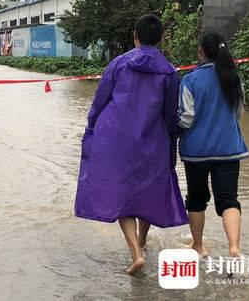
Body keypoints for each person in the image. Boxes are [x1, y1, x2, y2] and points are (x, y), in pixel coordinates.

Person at [74, 14, 188, 275]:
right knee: (148, 191)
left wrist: (91, 129)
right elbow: (171, 113)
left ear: (135, 36)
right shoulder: (169, 72)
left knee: (122, 196)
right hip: (153, 140)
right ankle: (143, 242)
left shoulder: (118, 64)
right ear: (161, 38)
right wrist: (171, 143)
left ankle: (136, 253)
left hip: (115, 140)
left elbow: (99, 102)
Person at [178, 31, 248, 258]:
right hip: (228, 150)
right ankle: (234, 248)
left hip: (196, 152)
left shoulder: (189, 80)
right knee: (229, 199)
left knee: (197, 199)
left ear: (200, 52)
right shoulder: (234, 78)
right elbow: (238, 113)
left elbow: (186, 118)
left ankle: (198, 247)